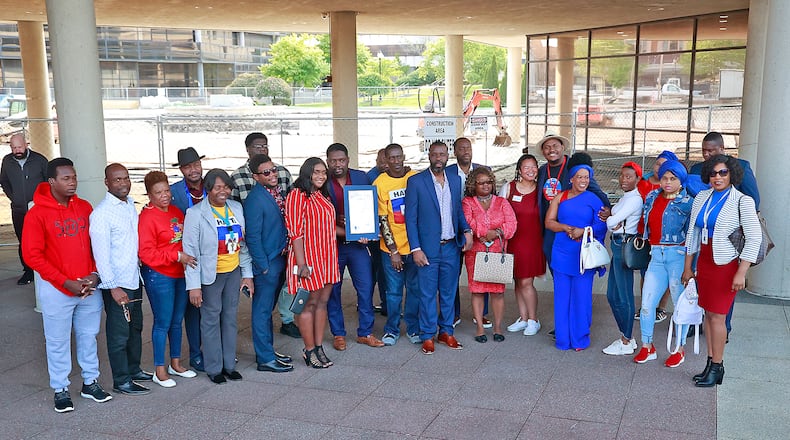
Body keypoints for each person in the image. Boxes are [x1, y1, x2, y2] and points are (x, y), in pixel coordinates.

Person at [22, 157, 111, 413]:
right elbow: (32, 255)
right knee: (57, 341)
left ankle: (90, 382)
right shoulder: (37, 213)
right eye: (66, 178)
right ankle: (60, 388)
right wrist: (64, 282)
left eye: (74, 177)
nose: (72, 182)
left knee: (88, 336)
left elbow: (97, 245)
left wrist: (95, 274)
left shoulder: (84, 207)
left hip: (87, 287)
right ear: (52, 181)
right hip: (57, 289)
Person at [682, 155, 761, 387]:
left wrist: (741, 272)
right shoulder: (702, 197)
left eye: (723, 173)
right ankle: (710, 363)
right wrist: (688, 267)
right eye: (714, 173)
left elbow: (754, 237)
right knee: (707, 314)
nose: (718, 177)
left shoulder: (742, 201)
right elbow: (692, 234)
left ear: (732, 174)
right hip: (704, 261)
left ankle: (718, 366)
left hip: (726, 264)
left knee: (718, 317)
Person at [688, 132, 761, 340]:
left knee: (721, 305)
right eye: (703, 151)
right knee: (705, 298)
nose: (706, 154)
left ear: (722, 149)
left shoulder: (742, 168)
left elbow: (753, 200)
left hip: (727, 246)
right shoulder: (697, 170)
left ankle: (723, 330)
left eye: (710, 150)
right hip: (703, 244)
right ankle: (700, 323)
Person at [183, 169, 253, 384]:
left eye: (226, 187)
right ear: (208, 189)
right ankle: (214, 368)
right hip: (210, 276)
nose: (223, 191)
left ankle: (229, 364)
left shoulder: (236, 208)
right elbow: (190, 250)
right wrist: (194, 286)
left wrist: (247, 274)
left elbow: (243, 245)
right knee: (211, 320)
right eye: (218, 187)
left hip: (233, 272)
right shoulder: (195, 213)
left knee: (230, 318)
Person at [89, 164, 152, 395]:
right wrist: (112, 287)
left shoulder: (129, 206)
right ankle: (121, 380)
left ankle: (134, 370)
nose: (123, 183)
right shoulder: (101, 214)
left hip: (135, 278)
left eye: (126, 178)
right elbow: (101, 256)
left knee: (135, 328)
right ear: (107, 182)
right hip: (117, 284)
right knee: (118, 334)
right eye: (117, 180)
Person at [405, 141, 473, 355]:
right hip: (427, 249)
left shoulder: (454, 180)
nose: (438, 158)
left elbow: (458, 211)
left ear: (447, 156)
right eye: (434, 154)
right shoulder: (416, 182)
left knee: (448, 292)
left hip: (451, 246)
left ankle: (446, 331)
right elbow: (410, 219)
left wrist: (467, 230)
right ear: (429, 156)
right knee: (426, 294)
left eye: (442, 154)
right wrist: (415, 248)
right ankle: (427, 335)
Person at [230, 133, 300, 339]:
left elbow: (291, 206)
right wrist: (262, 265)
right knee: (263, 305)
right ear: (247, 149)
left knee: (283, 290)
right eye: (257, 146)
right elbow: (245, 227)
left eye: (265, 145)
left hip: (282, 248)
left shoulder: (282, 175)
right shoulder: (240, 181)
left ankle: (281, 327)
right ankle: (265, 352)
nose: (261, 149)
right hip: (261, 252)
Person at [138, 171, 198, 388]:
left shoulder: (175, 211)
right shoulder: (146, 217)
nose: (164, 195)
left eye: (166, 191)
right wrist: (176, 256)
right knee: (162, 322)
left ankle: (175, 364)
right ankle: (159, 370)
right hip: (159, 275)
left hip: (180, 273)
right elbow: (146, 253)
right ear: (149, 195)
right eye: (158, 192)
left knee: (176, 320)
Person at [633, 160, 694, 367]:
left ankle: (680, 348)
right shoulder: (652, 196)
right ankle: (647, 345)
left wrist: (690, 266)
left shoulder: (688, 202)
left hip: (677, 254)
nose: (667, 182)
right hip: (655, 255)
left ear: (680, 180)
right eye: (665, 178)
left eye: (673, 178)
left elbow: (694, 234)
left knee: (680, 306)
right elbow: (645, 223)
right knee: (647, 304)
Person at [325, 143, 384, 350]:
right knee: (334, 290)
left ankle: (365, 332)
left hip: (359, 245)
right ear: (327, 161)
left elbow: (370, 206)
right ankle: (338, 334)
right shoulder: (323, 182)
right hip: (333, 245)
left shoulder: (361, 177)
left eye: (341, 160)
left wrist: (368, 230)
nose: (337, 164)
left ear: (348, 160)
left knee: (366, 287)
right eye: (333, 161)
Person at [285, 157, 341, 368]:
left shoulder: (322, 196)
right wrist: (301, 264)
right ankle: (309, 350)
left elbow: (328, 228)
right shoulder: (297, 195)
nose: (321, 176)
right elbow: (295, 233)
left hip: (327, 258)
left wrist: (355, 234)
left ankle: (318, 347)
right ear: (307, 173)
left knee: (321, 304)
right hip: (308, 260)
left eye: (323, 172)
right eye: (316, 172)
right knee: (307, 305)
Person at [544, 164, 607, 351]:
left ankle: (580, 338)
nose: (583, 181)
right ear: (571, 179)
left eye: (587, 177)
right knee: (562, 297)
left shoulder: (594, 199)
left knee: (582, 297)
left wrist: (584, 230)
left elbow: (603, 225)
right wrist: (564, 227)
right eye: (579, 177)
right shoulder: (560, 197)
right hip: (562, 252)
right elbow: (549, 222)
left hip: (584, 255)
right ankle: (563, 339)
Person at [243, 153, 294, 373]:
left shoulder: (275, 192)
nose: (273, 174)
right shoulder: (255, 199)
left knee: (267, 311)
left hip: (279, 259)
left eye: (274, 170)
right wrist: (263, 266)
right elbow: (252, 236)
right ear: (256, 176)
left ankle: (268, 351)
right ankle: (264, 358)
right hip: (268, 264)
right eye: (267, 172)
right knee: (262, 312)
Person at [536, 133, 610, 268]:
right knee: (555, 266)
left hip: (571, 227)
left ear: (563, 147)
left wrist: (608, 208)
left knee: (573, 266)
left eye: (555, 146)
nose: (551, 150)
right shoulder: (541, 170)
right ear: (543, 151)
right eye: (547, 147)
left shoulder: (575, 166)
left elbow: (595, 189)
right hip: (550, 226)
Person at [462, 167, 517, 342]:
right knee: (478, 292)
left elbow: (512, 224)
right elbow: (468, 221)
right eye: (481, 182)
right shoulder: (468, 202)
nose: (486, 185)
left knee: (497, 292)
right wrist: (485, 233)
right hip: (476, 254)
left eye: (489, 182)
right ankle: (479, 327)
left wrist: (498, 232)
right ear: (473, 185)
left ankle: (498, 327)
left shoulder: (502, 202)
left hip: (497, 253)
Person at [374, 143, 420, 346]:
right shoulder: (380, 183)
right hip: (391, 250)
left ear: (403, 156)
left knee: (414, 289)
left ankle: (413, 328)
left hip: (415, 247)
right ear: (386, 160)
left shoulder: (415, 177)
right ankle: (391, 329)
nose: (396, 161)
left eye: (398, 157)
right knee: (393, 293)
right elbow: (382, 219)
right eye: (391, 158)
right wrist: (393, 250)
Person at [445, 136, 490, 328]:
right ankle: (453, 313)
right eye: (461, 148)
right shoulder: (446, 173)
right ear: (455, 152)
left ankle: (482, 313)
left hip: (478, 231)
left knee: (482, 271)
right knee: (453, 273)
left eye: (468, 148)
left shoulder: (482, 171)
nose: (466, 151)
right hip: (454, 230)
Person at [599, 162, 643, 356]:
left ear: (637, 179)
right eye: (622, 176)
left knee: (623, 295)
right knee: (612, 294)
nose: (624, 180)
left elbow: (611, 220)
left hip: (624, 244)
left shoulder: (634, 199)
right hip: (617, 243)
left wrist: (612, 219)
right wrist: (612, 220)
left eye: (629, 177)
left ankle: (626, 338)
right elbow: (611, 220)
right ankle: (626, 336)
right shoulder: (626, 197)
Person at [500, 154, 546, 336]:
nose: (531, 170)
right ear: (519, 170)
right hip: (512, 242)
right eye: (526, 167)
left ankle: (534, 319)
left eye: (534, 167)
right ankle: (524, 317)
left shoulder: (542, 190)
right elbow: (499, 211)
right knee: (518, 281)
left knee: (527, 281)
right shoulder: (508, 188)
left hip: (533, 242)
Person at [170, 147, 207, 372]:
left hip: (213, 256)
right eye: (187, 167)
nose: (193, 170)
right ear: (182, 170)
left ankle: (214, 349)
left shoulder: (212, 185)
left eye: (196, 164)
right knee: (192, 310)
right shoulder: (174, 192)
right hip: (187, 258)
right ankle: (196, 354)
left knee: (212, 308)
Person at [634, 150, 679, 323]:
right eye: (658, 163)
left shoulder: (671, 186)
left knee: (667, 275)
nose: (660, 167)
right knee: (646, 273)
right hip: (645, 236)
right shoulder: (642, 183)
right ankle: (647, 305)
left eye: (664, 165)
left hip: (666, 239)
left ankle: (661, 308)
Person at [0, 133, 48, 285]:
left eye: (19, 147)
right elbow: (4, 181)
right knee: (24, 240)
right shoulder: (7, 161)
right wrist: (14, 197)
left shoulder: (40, 160)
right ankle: (28, 272)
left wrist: (42, 201)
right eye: (14, 148)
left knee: (44, 240)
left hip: (39, 209)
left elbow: (49, 183)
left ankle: (45, 271)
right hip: (19, 209)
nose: (17, 150)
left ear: (26, 144)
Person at [367, 147, 389, 316]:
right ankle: (377, 303)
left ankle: (387, 303)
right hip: (374, 232)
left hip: (392, 231)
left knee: (385, 271)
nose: (384, 164)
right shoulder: (370, 177)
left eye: (386, 161)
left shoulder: (400, 177)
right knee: (376, 269)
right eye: (381, 161)